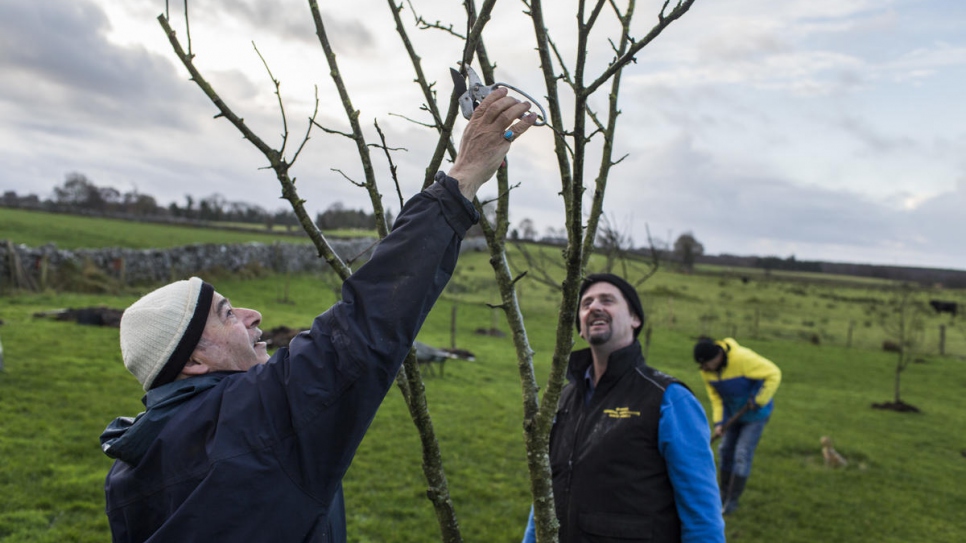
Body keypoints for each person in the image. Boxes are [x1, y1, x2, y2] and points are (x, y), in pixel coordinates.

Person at [99, 87, 537, 543]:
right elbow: (364, 326)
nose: (252, 314)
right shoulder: (255, 418)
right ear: (192, 363)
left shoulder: (132, 465)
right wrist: (461, 180)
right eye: (226, 314)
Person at [523, 274, 725, 543]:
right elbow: (545, 492)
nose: (595, 307)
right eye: (586, 303)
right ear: (581, 329)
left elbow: (702, 519)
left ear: (635, 319)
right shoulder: (562, 400)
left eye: (608, 300)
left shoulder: (669, 399)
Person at [693, 336, 782, 515]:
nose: (705, 369)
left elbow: (773, 373)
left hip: (756, 414)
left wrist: (759, 400)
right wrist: (719, 422)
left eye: (707, 364)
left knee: (742, 453)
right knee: (725, 451)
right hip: (734, 415)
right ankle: (722, 495)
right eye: (702, 366)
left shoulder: (742, 359)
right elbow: (716, 399)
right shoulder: (707, 372)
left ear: (718, 356)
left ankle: (732, 500)